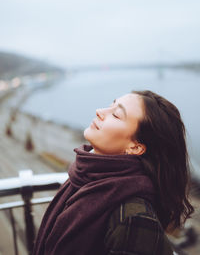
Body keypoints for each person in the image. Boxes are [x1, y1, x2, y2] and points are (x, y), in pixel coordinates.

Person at [33, 90, 194, 255]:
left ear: (135, 147)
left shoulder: (134, 219)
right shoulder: (82, 178)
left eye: (116, 115)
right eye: (111, 106)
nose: (99, 111)